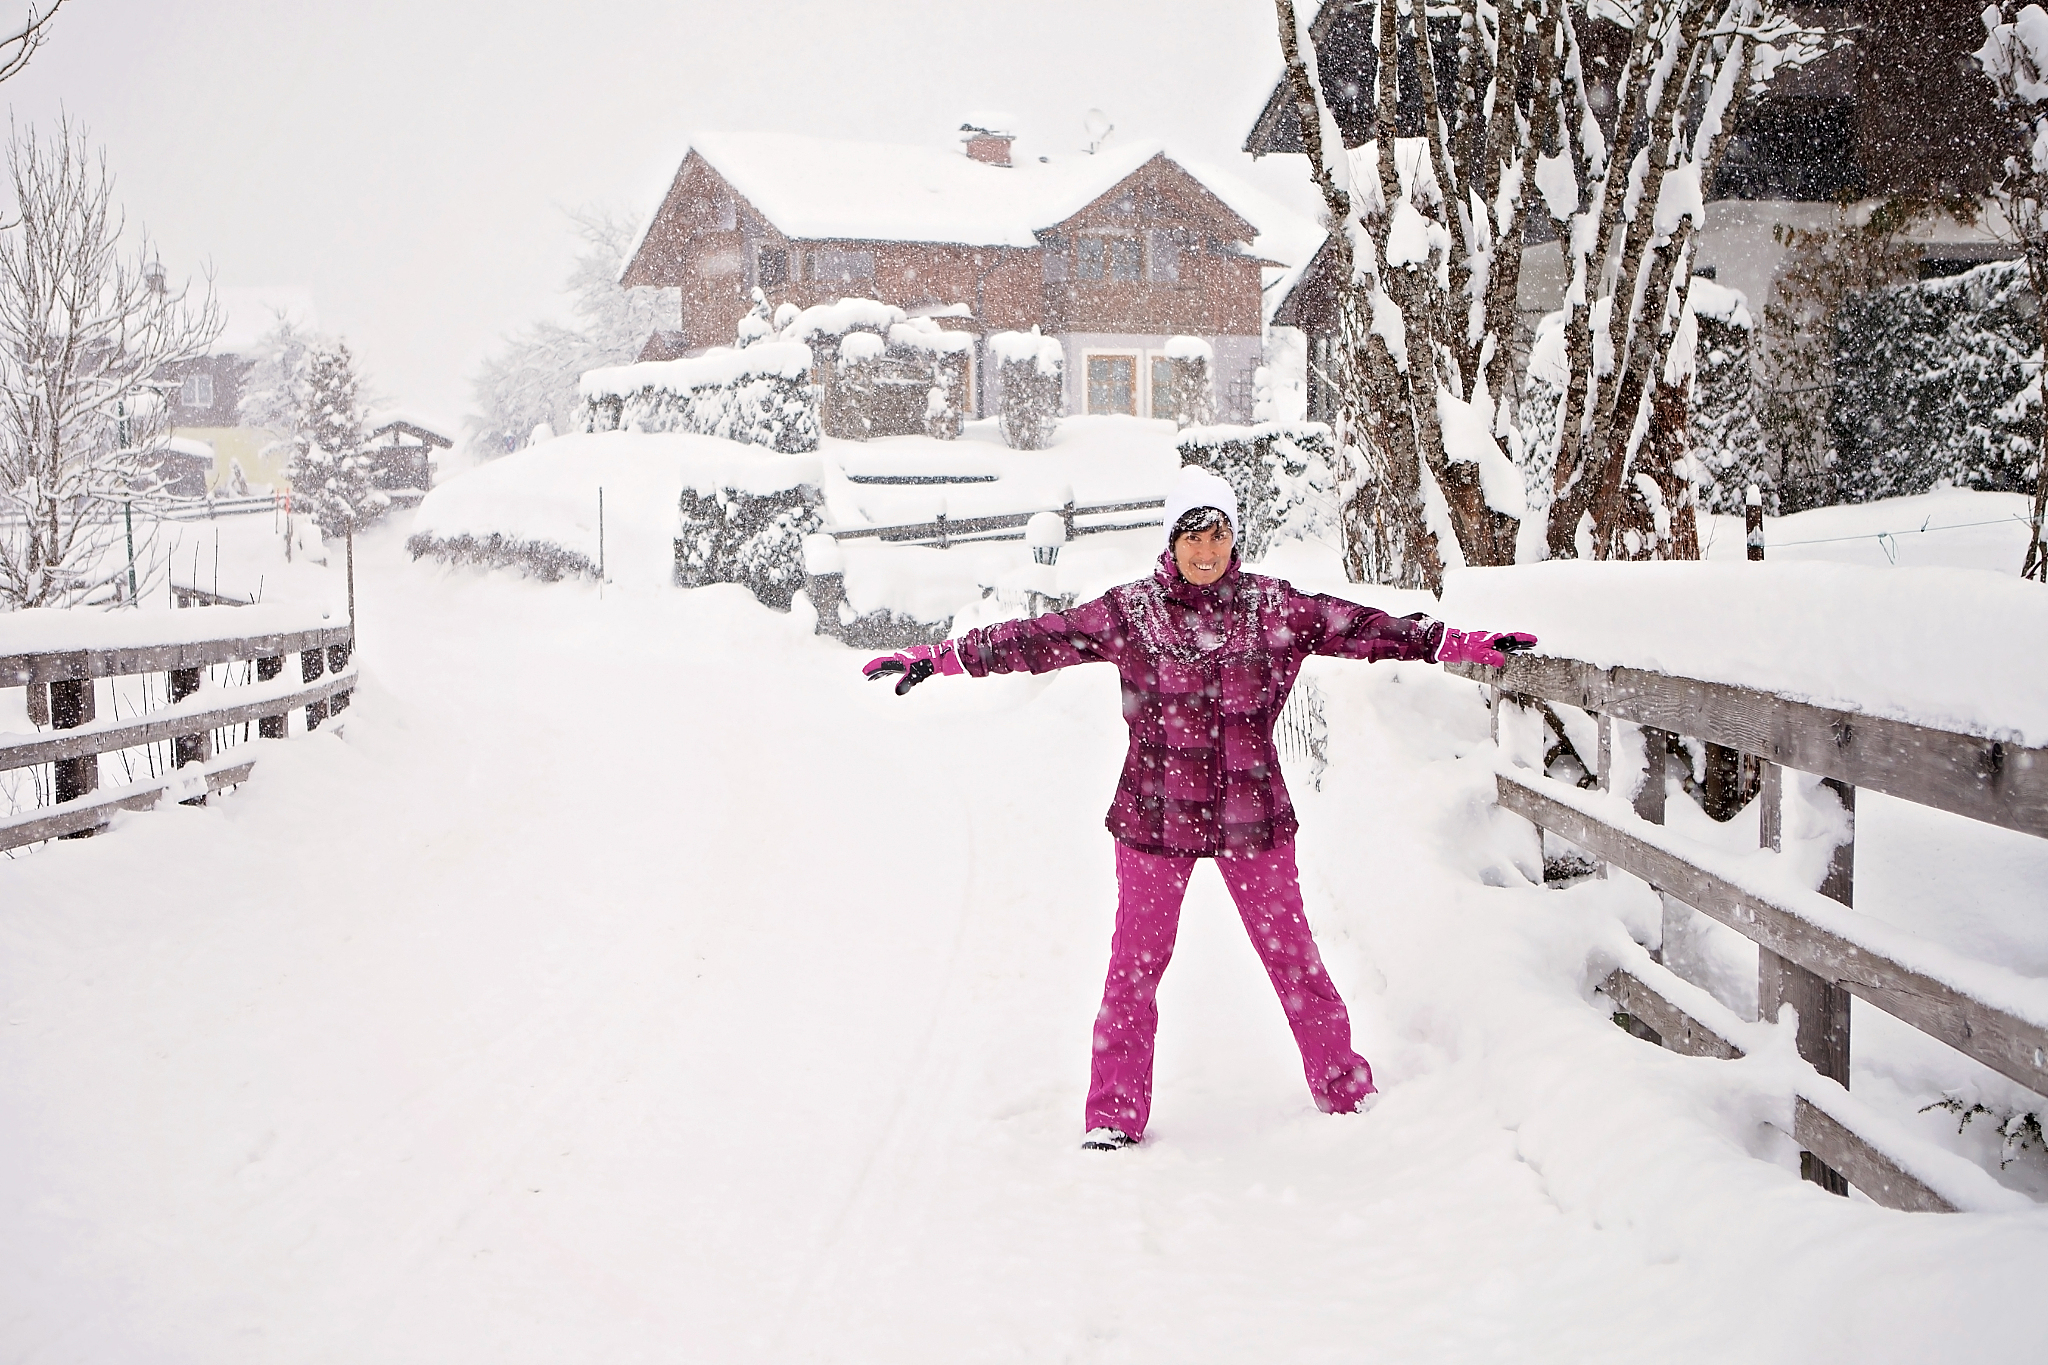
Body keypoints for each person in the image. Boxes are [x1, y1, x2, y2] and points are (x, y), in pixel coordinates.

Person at [863, 468, 1535, 1151]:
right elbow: (1038, 639)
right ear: (1171, 541)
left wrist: (1451, 641)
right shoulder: (1133, 612)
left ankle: (1343, 1086)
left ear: (1234, 537)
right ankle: (1114, 1112)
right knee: (1134, 968)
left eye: (1218, 534)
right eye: (1192, 536)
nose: (1206, 551)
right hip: (1154, 820)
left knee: (1295, 959)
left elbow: (1361, 627)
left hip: (1253, 816)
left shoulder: (1271, 607)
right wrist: (941, 658)